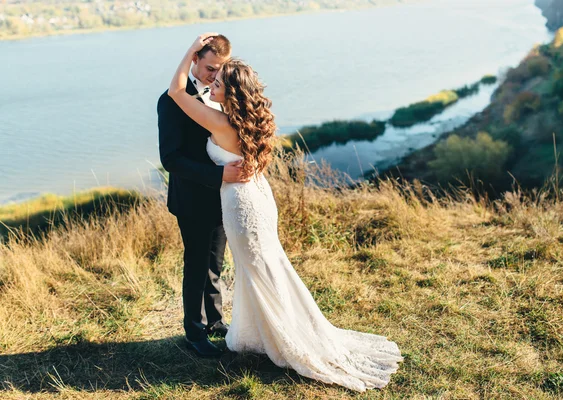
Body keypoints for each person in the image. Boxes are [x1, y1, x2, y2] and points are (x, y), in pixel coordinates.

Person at [167, 32, 403, 391]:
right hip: (258, 198)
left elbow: (175, 91)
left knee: (258, 270)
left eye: (218, 81)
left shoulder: (221, 122)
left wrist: (189, 50)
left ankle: (286, 336)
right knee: (263, 266)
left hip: (240, 205)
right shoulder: (247, 118)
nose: (212, 83)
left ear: (231, 92)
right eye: (211, 76)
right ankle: (262, 331)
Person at [158, 33, 247, 358]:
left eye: (219, 70)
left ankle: (215, 320)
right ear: (194, 60)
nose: (214, 76)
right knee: (196, 264)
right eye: (210, 68)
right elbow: (171, 159)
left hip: (223, 198)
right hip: (192, 199)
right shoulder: (171, 101)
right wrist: (217, 174)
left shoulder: (223, 96)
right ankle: (194, 332)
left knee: (216, 263)